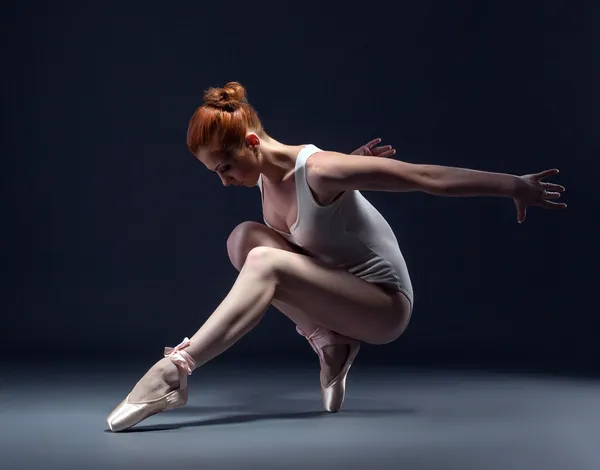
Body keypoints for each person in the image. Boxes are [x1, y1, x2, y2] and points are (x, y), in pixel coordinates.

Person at [107, 82, 566, 432]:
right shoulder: (269, 178)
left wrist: (514, 185)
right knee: (244, 239)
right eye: (215, 173)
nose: (224, 180)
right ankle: (332, 342)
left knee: (265, 262)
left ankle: (175, 371)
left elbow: (426, 177)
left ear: (250, 142)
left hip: (383, 308)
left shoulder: (323, 168)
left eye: (225, 167)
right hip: (335, 290)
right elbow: (319, 228)